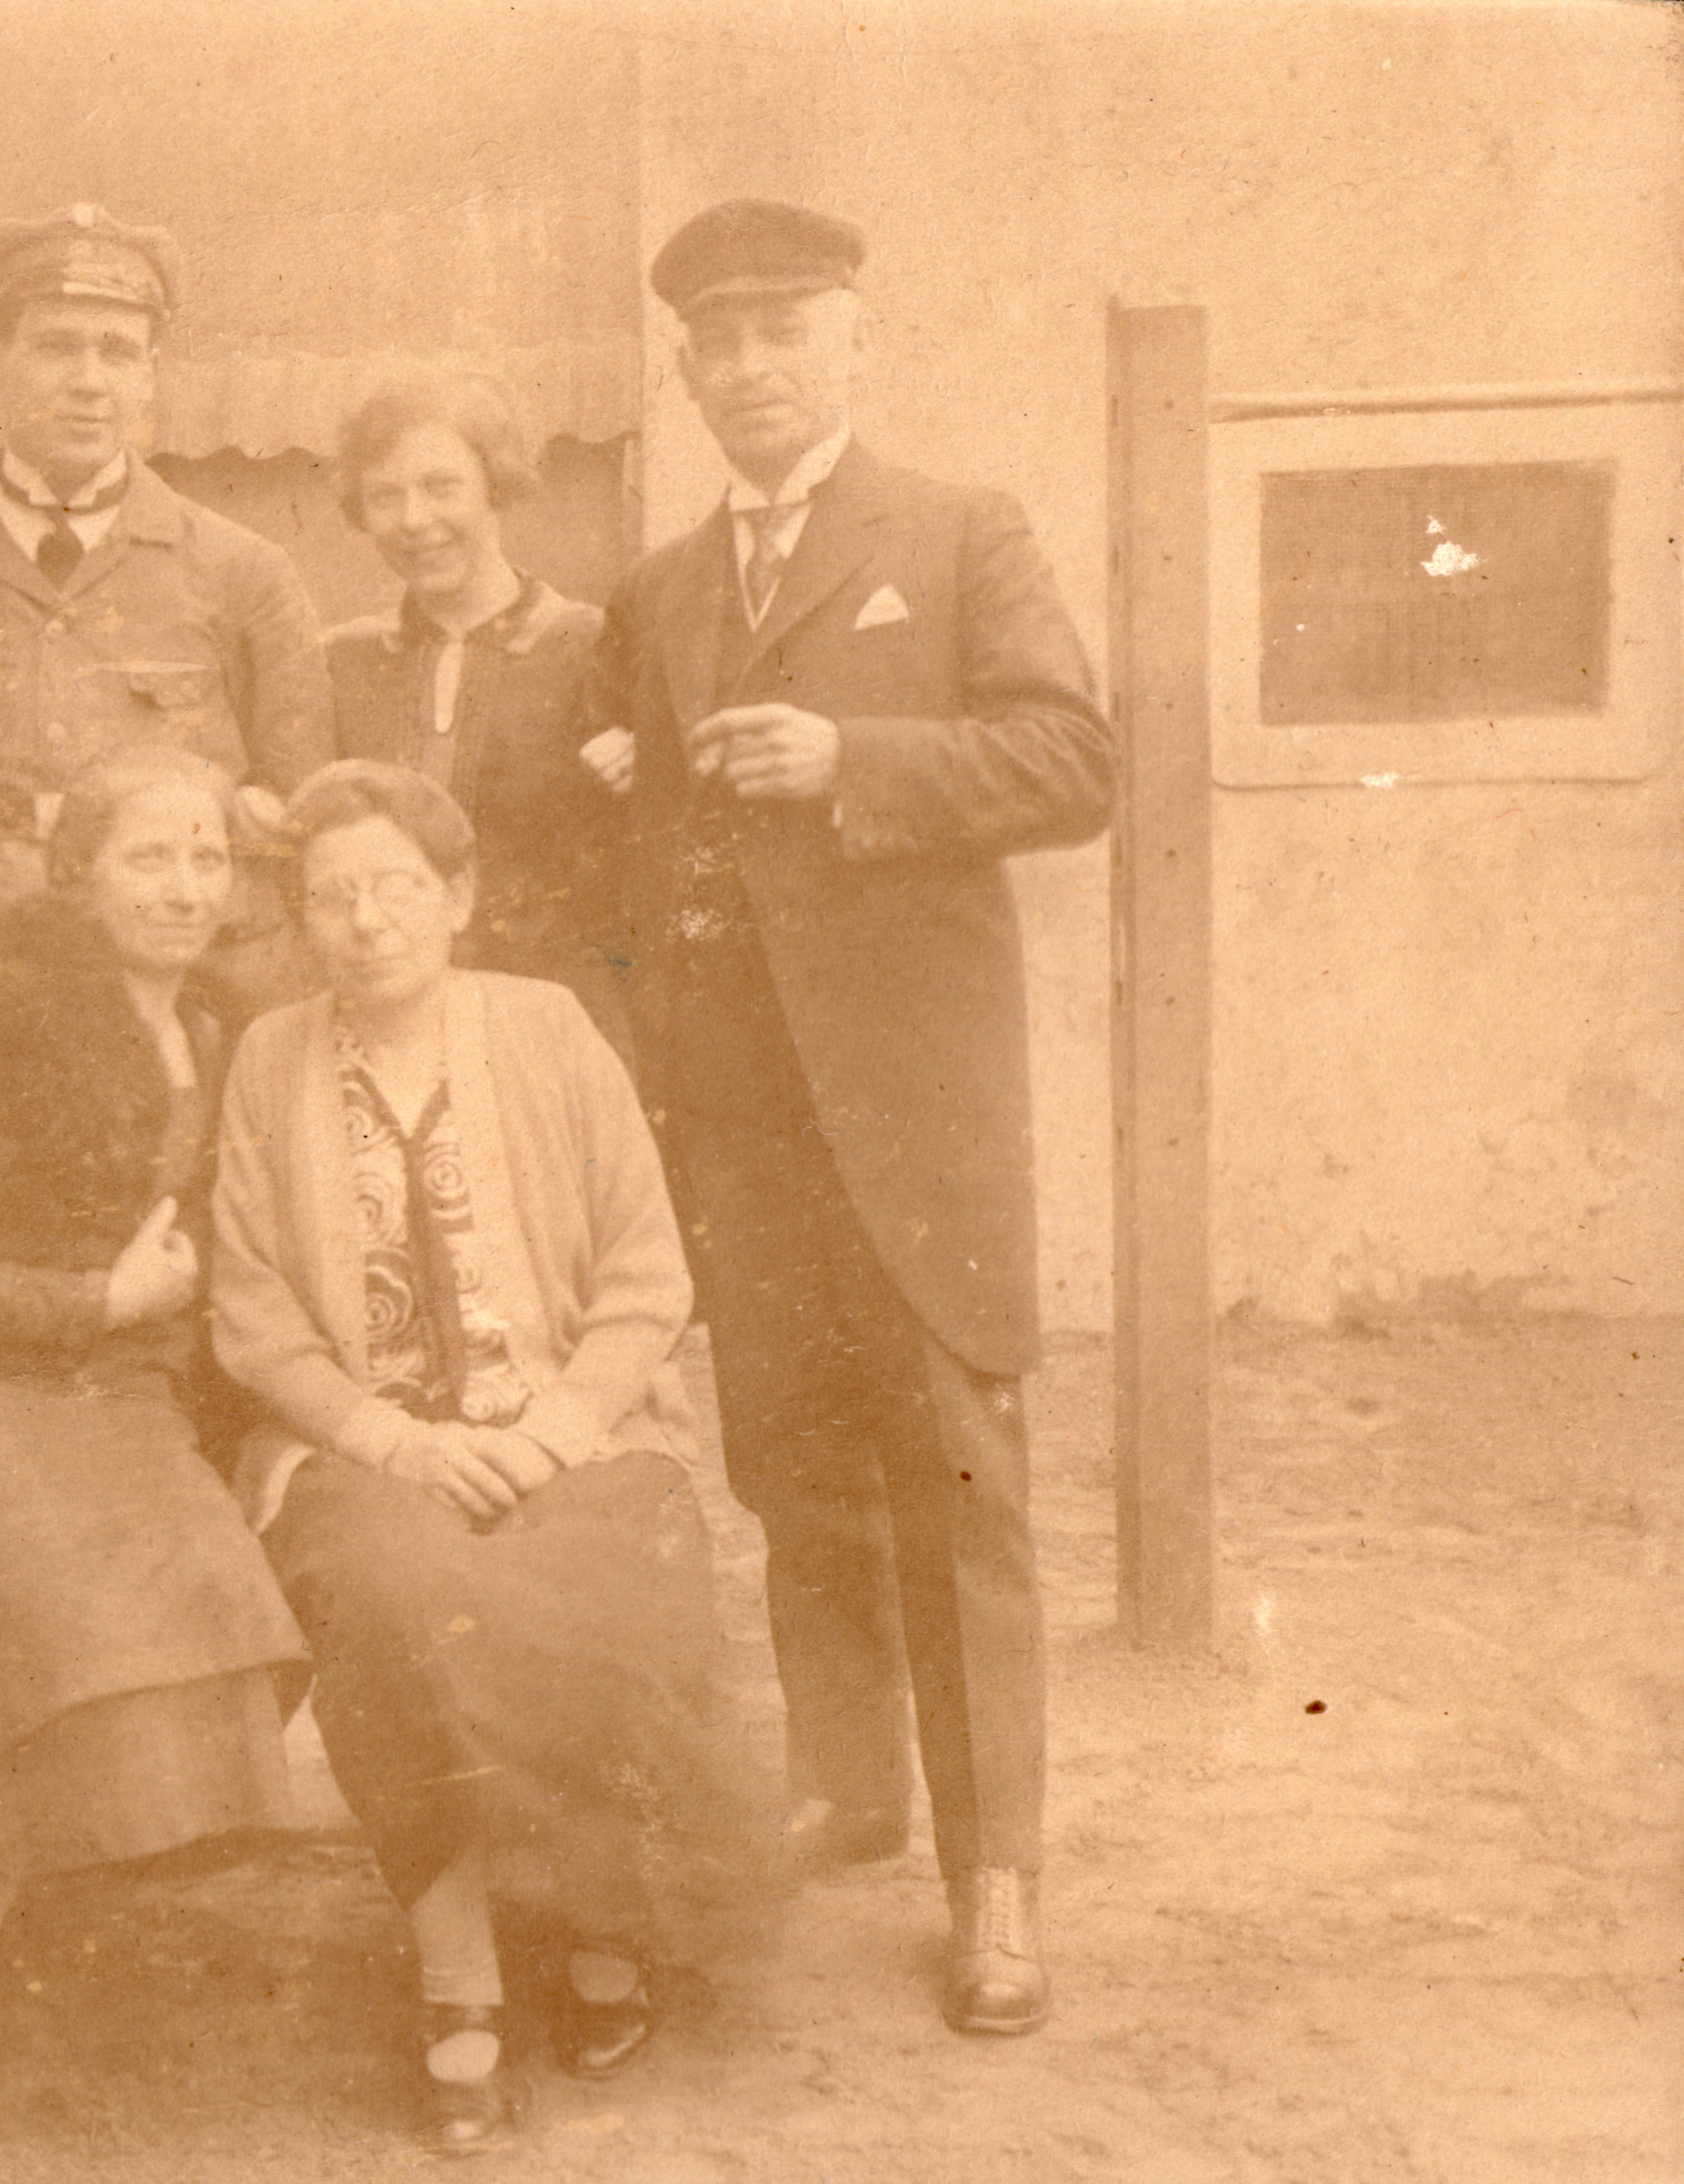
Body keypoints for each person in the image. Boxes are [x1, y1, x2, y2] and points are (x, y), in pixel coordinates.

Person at [583, 199, 1115, 2035]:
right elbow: (642, 835)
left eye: (783, 329)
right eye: (717, 341)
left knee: (957, 1484)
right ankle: (845, 1783)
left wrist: (849, 759)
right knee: (790, 1462)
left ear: (853, 344)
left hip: (912, 1117)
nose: (748, 366)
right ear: (684, 373)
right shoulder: (659, 590)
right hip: (738, 1119)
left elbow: (1072, 763)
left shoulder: (959, 534)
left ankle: (994, 1875)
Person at [210, 760, 733, 2156]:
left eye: (395, 886)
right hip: (366, 1448)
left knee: (612, 1592)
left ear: (457, 896)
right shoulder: (267, 1058)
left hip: (574, 1427)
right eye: (331, 896)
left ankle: (598, 1921)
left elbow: (644, 1273)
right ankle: (460, 1977)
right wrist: (395, 1440)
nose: (365, 919)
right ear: (301, 918)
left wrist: (554, 1429)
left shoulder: (547, 1027)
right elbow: (252, 1314)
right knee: (391, 1604)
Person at [0, 746, 311, 2141]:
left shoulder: (222, 1028)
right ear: (78, 877)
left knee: (232, 1609)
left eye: (207, 857)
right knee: (72, 1638)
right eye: (148, 857)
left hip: (109, 1399)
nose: (184, 887)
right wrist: (101, 1300)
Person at [0, 202, 335, 1009]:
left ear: (149, 372)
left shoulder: (244, 573)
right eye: (55, 346)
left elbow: (302, 815)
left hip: (196, 993)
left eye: (118, 351)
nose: (88, 381)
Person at [323, 371, 629, 1048]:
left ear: (495, 485)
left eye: (441, 486)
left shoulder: (595, 646)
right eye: (384, 495)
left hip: (553, 1024)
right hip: (380, 1025)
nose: (413, 520)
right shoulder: (341, 663)